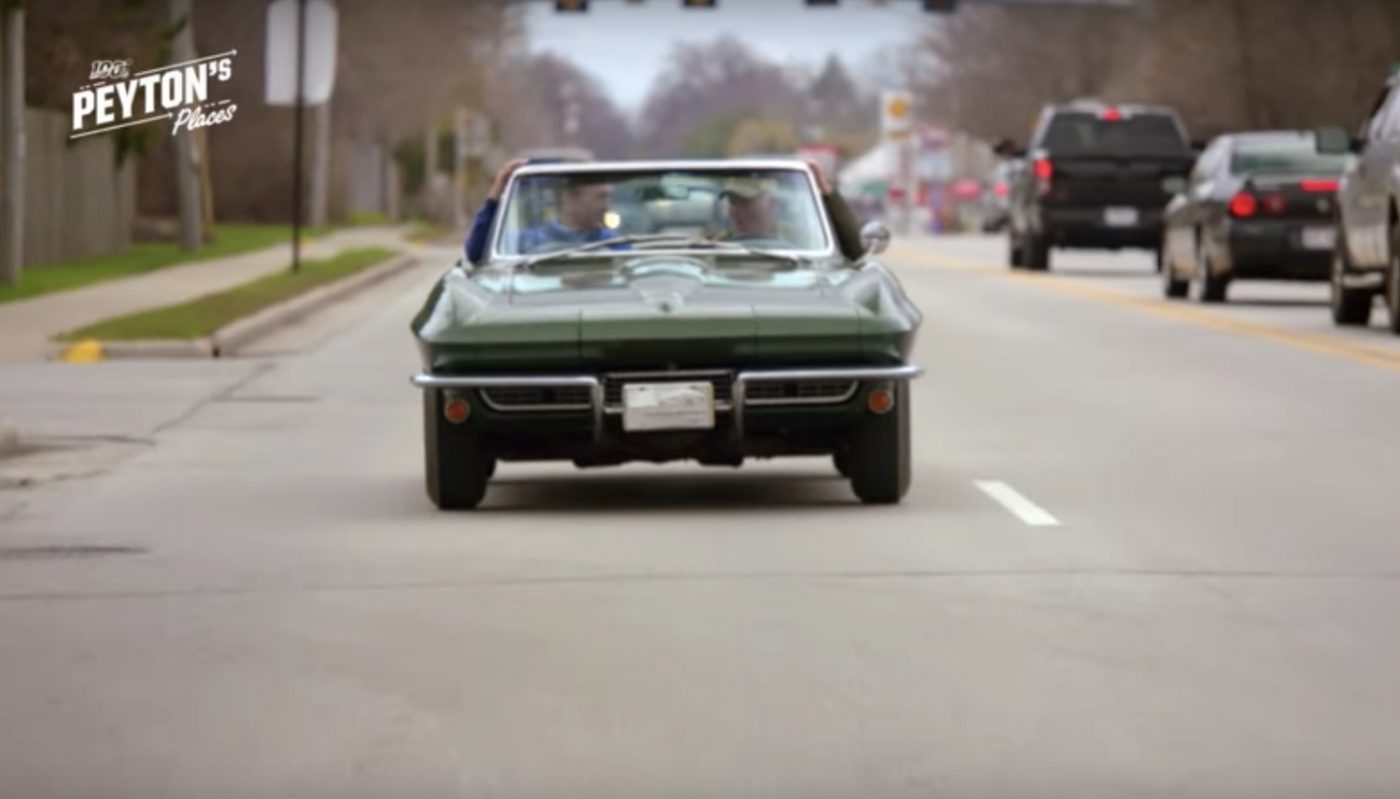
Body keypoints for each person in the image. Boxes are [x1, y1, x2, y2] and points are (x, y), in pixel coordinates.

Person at [463, 159, 622, 264]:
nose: (607, 206)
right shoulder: (527, 242)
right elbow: (475, 252)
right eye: (601, 198)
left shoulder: (613, 243)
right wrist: (496, 192)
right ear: (570, 198)